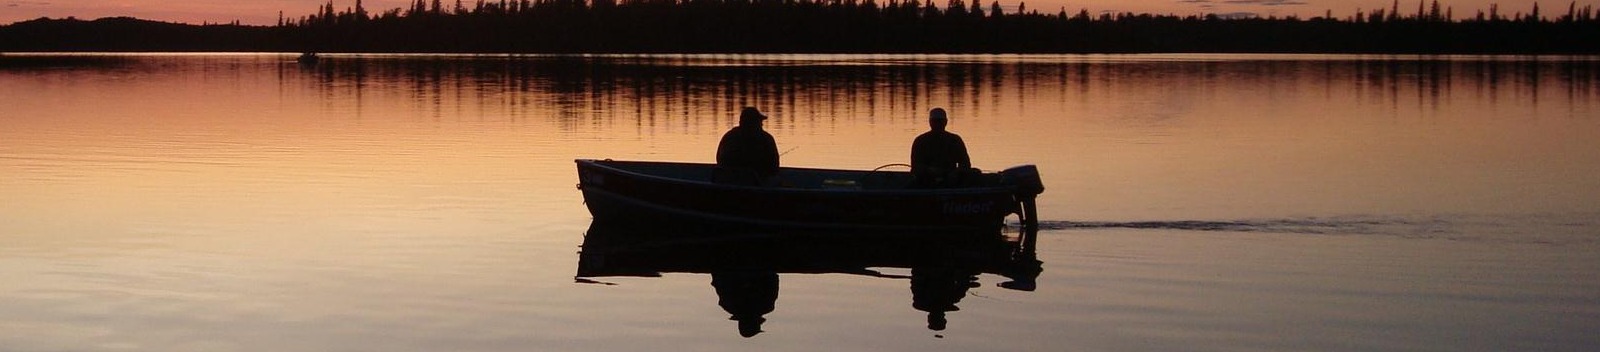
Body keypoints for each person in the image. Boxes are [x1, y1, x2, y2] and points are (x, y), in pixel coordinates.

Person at [715, 107, 780, 186]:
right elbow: (774, 167)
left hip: (729, 180)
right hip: (747, 180)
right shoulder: (766, 139)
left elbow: (720, 160)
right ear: (752, 123)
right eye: (759, 121)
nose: (762, 124)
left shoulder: (729, 136)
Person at [910, 108, 972, 188]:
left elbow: (965, 163)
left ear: (945, 122)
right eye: (935, 121)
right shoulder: (920, 140)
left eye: (940, 121)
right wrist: (929, 170)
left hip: (951, 177)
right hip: (927, 178)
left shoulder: (955, 140)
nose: (937, 124)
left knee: (975, 173)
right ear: (930, 122)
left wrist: (956, 172)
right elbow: (915, 166)